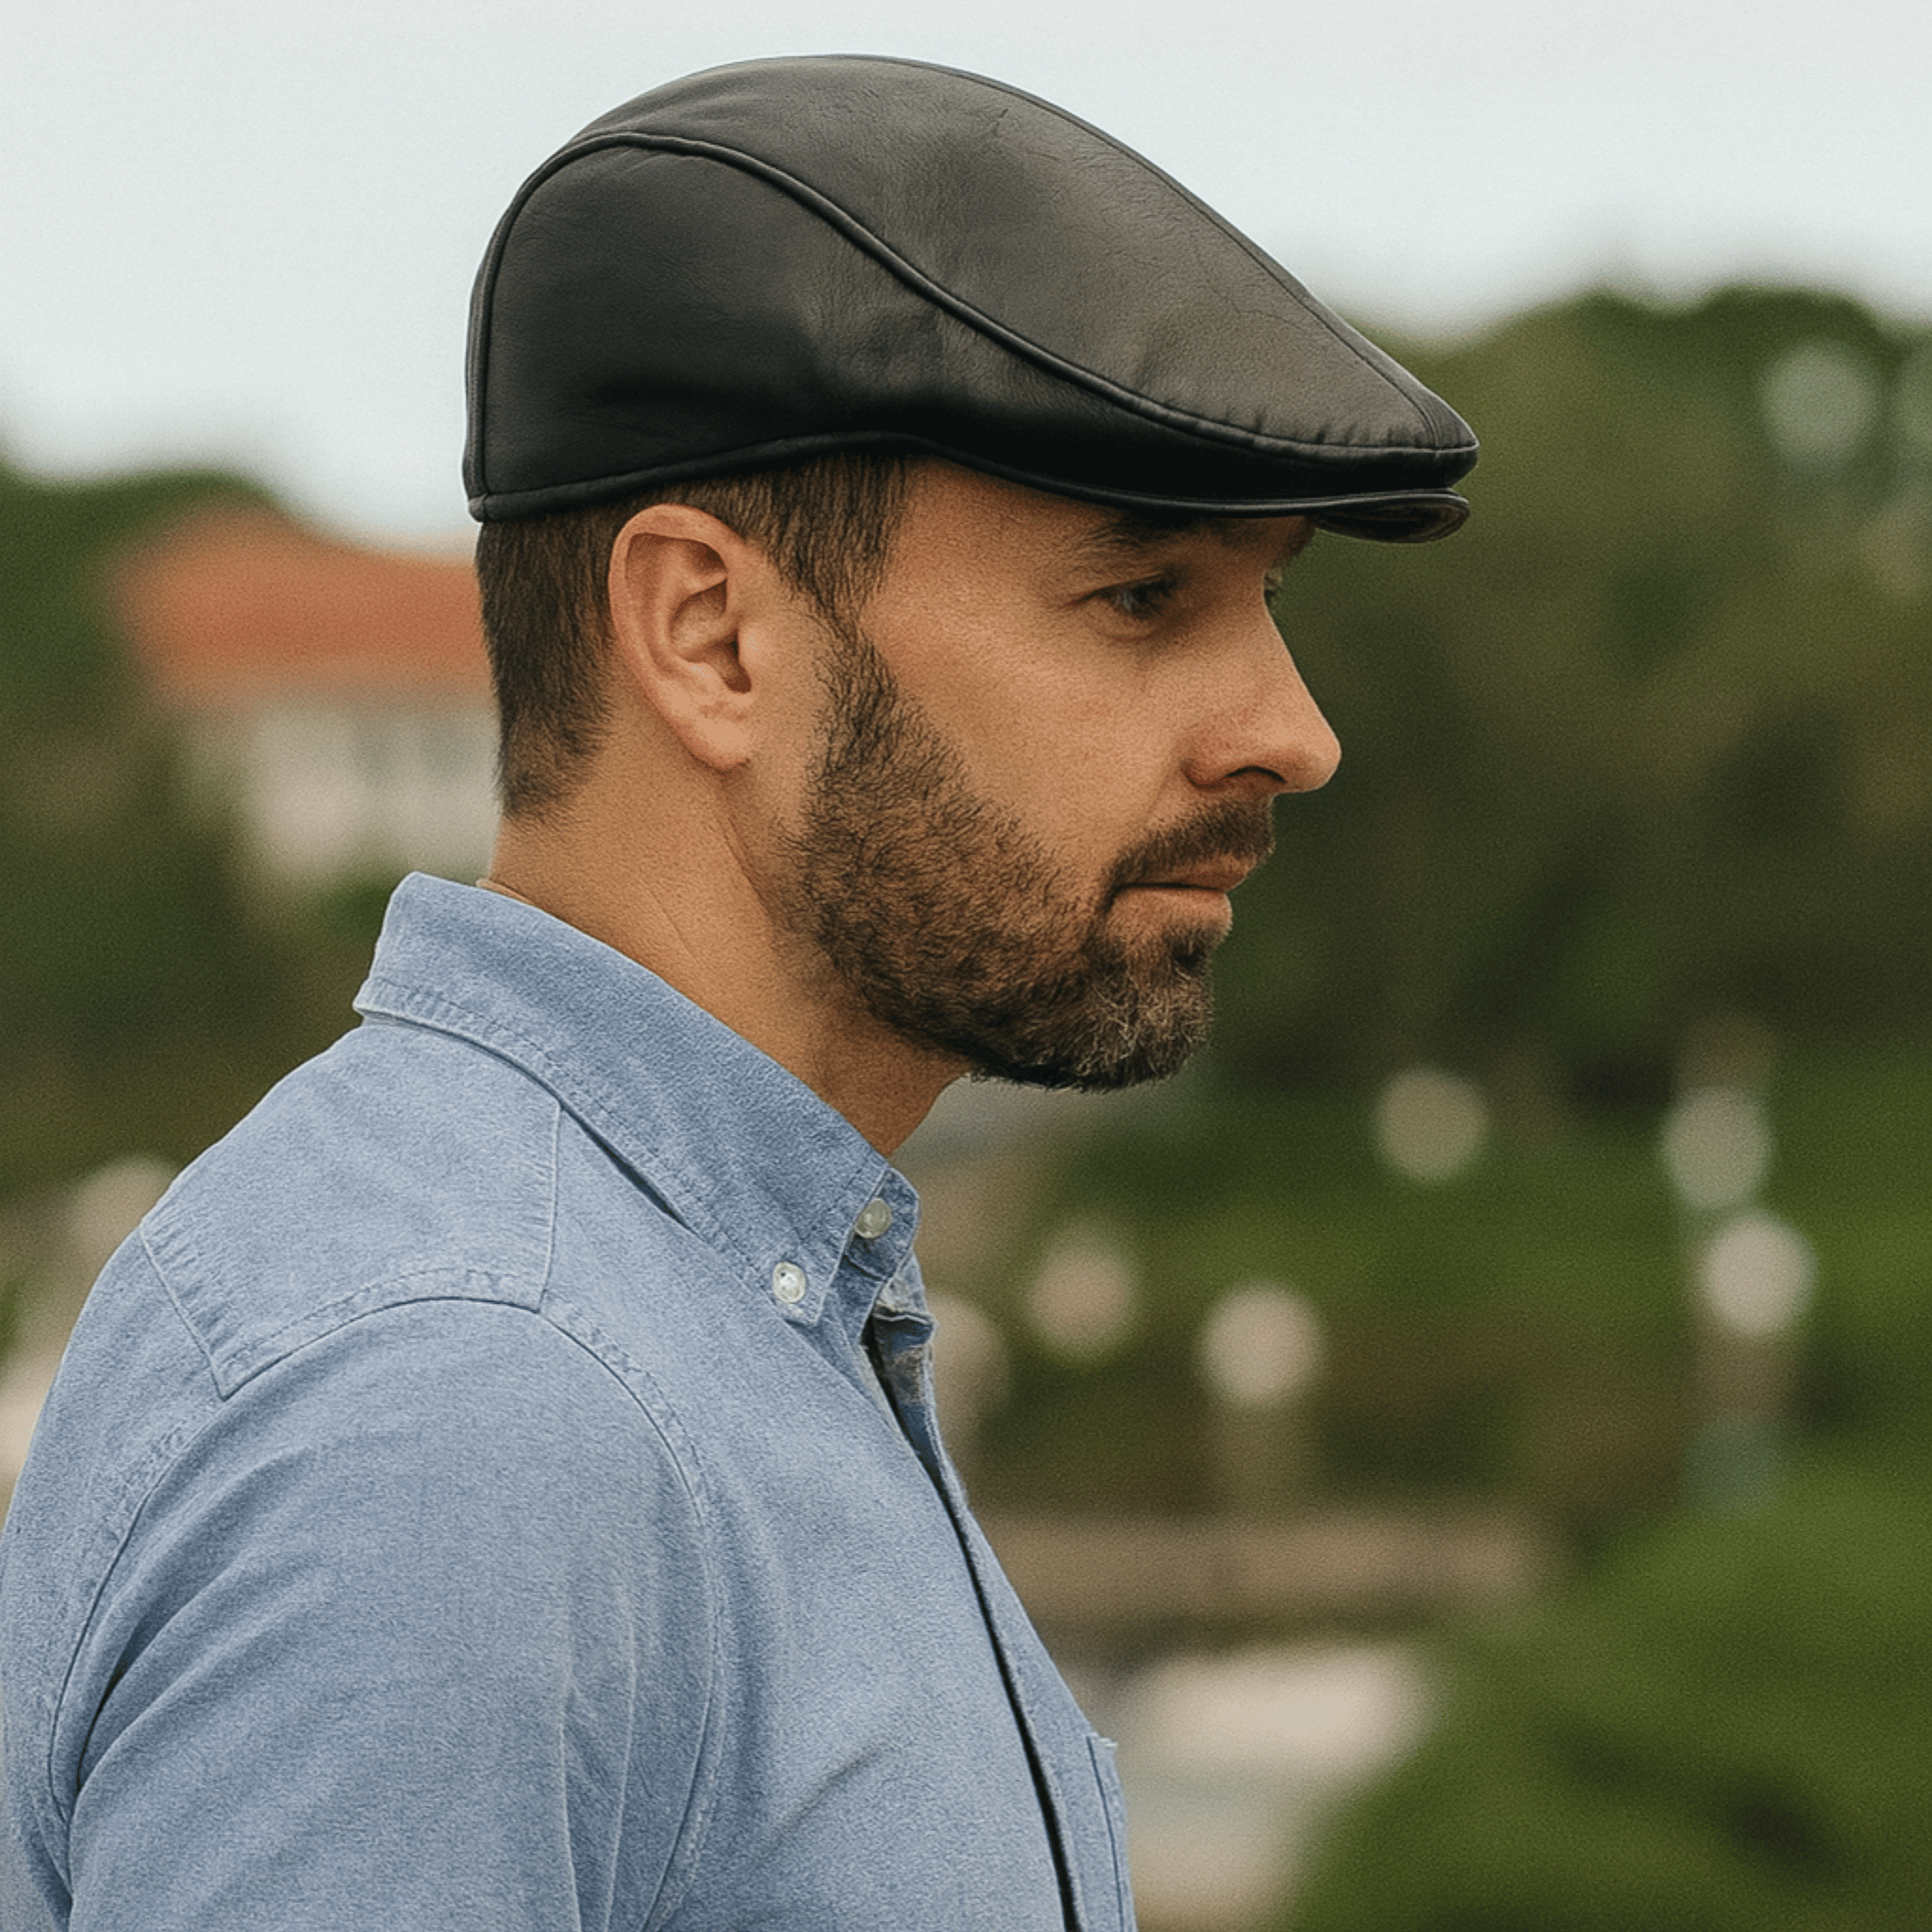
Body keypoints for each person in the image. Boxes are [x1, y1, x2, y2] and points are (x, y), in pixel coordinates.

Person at [0, 54, 1475, 1932]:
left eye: (1267, 602)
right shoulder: (470, 1401)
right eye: (1141, 595)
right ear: (706, 635)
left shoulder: (684, 1300)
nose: (1292, 727)